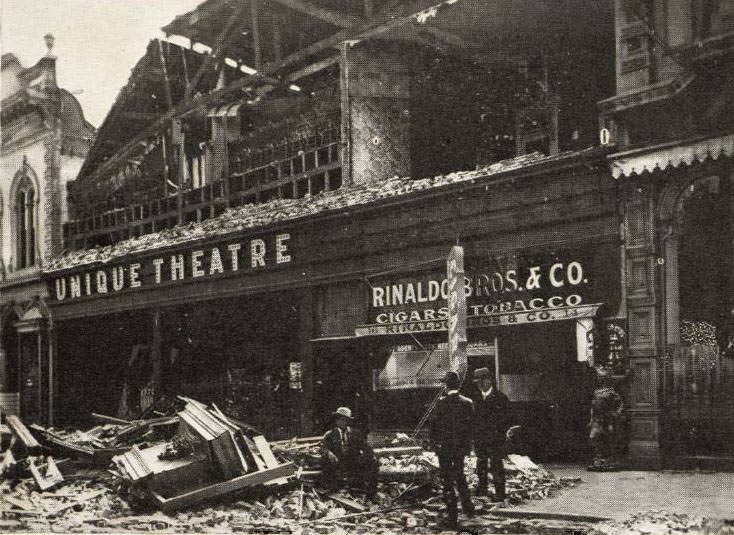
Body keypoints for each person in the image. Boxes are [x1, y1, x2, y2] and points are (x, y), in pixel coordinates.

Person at [429, 371, 475, 528]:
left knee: (447, 481)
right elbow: (471, 429)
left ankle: (453, 515)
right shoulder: (467, 403)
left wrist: (435, 444)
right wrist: (468, 447)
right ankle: (469, 509)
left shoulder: (441, 403)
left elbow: (433, 427)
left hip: (445, 449)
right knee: (460, 476)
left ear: (446, 386)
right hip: (460, 449)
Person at [471, 367, 511, 502]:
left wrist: (500, 438)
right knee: (481, 466)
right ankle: (483, 492)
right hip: (480, 440)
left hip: (495, 441)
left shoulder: (501, 398)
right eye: (477, 383)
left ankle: (500, 494)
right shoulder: (475, 399)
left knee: (496, 466)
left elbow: (506, 421)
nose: (479, 385)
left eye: (481, 382)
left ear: (488, 380)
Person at [320, 406, 378, 496]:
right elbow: (323, 447)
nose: (343, 422)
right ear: (336, 420)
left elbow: (367, 448)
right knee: (325, 460)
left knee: (373, 461)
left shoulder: (356, 433)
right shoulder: (330, 434)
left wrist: (365, 457)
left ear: (348, 421)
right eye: (340, 419)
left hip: (353, 461)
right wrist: (329, 453)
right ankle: (332, 487)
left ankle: (369, 491)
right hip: (337, 461)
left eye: (345, 420)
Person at [587, 367, 624, 471]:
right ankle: (598, 458)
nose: (599, 379)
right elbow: (592, 407)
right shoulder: (596, 392)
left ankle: (609, 459)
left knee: (609, 438)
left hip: (607, 419)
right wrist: (591, 419)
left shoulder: (611, 392)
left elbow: (620, 403)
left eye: (601, 377)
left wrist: (616, 413)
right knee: (593, 438)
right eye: (599, 377)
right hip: (597, 419)